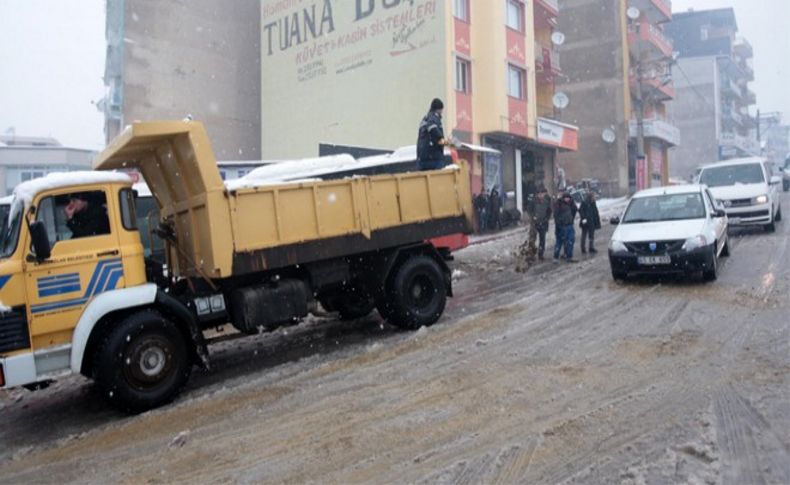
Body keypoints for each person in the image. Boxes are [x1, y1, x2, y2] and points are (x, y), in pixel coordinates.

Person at [416, 98, 448, 171]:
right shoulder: (433, 118)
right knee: (439, 178)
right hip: (433, 158)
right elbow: (437, 136)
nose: (442, 112)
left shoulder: (425, 119)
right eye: (441, 110)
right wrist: (447, 143)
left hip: (422, 158)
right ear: (438, 109)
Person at [553, 191, 577, 262]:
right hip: (561, 226)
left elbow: (574, 211)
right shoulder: (559, 204)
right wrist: (559, 223)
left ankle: (569, 256)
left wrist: (571, 220)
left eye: (568, 198)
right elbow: (556, 215)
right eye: (566, 198)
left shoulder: (571, 204)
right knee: (559, 241)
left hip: (569, 225)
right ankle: (556, 256)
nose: (567, 199)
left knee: (570, 241)